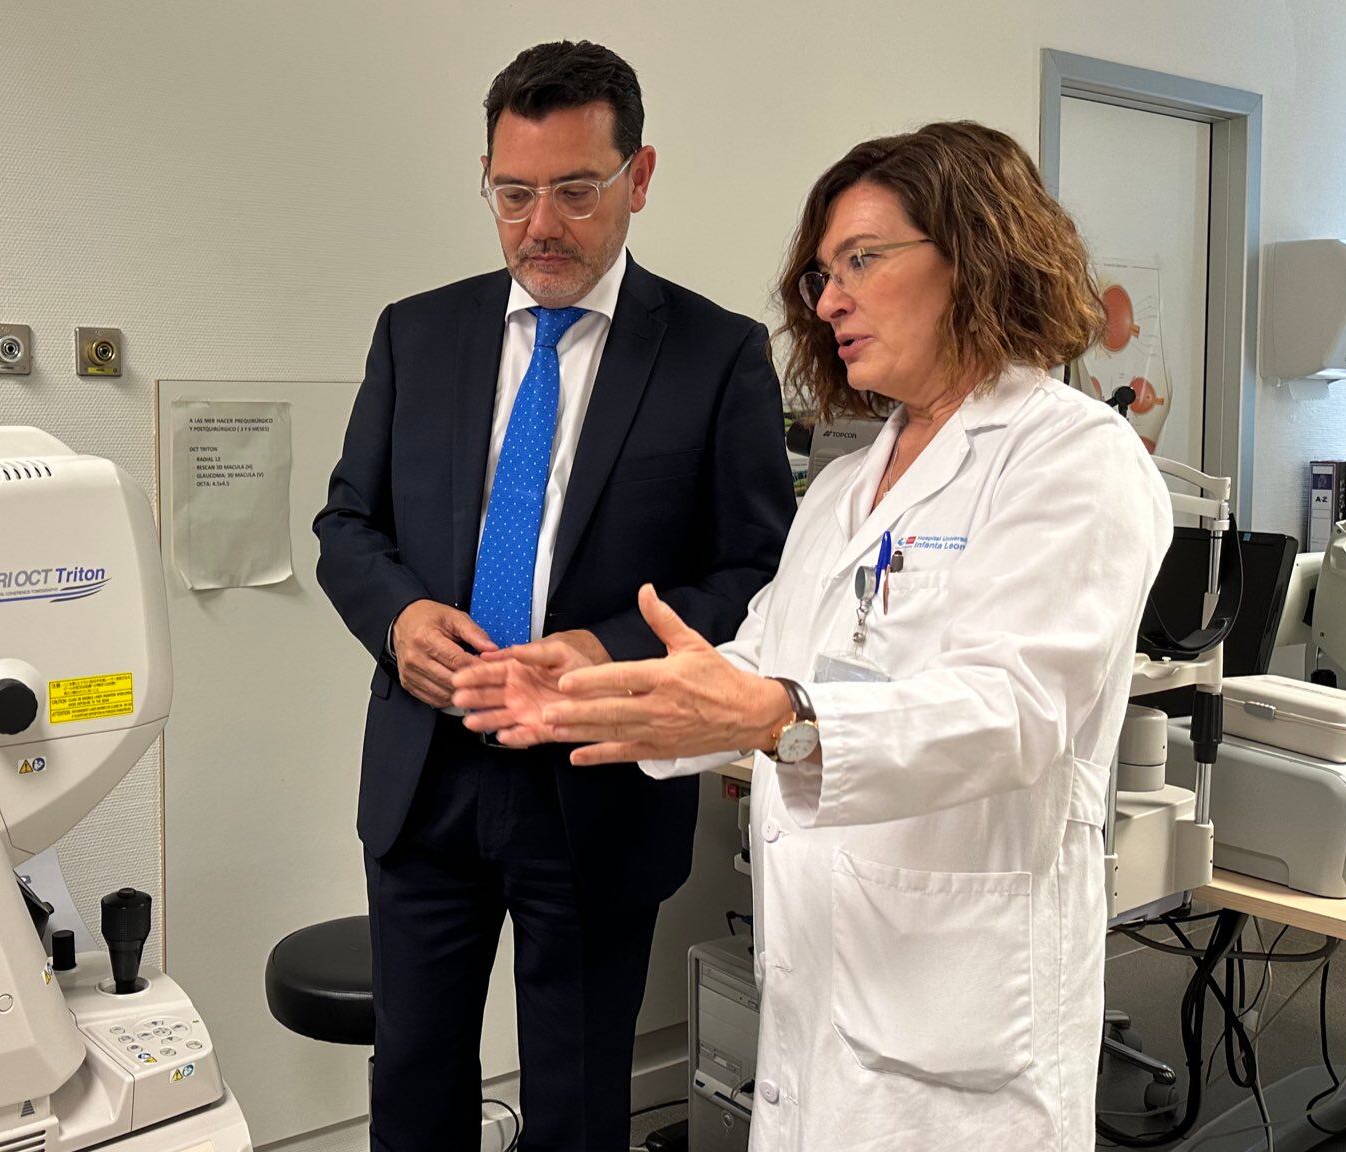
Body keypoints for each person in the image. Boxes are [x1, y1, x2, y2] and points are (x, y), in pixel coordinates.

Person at [454, 120, 1173, 1149]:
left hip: (956, 1024)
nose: (826, 299)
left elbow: (1016, 710)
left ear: (974, 253)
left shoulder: (1074, 458)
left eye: (860, 261)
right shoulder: (843, 485)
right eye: (820, 273)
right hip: (819, 999)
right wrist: (598, 689)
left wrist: (785, 722)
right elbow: (756, 665)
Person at [313, 40, 795, 1152]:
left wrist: (603, 647)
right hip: (425, 772)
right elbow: (347, 524)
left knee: (576, 1102)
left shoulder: (713, 356)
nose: (541, 225)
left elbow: (752, 572)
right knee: (415, 1082)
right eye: (513, 193)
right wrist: (394, 619)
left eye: (576, 192)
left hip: (594, 782)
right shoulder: (416, 332)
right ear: (485, 180)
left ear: (638, 179)